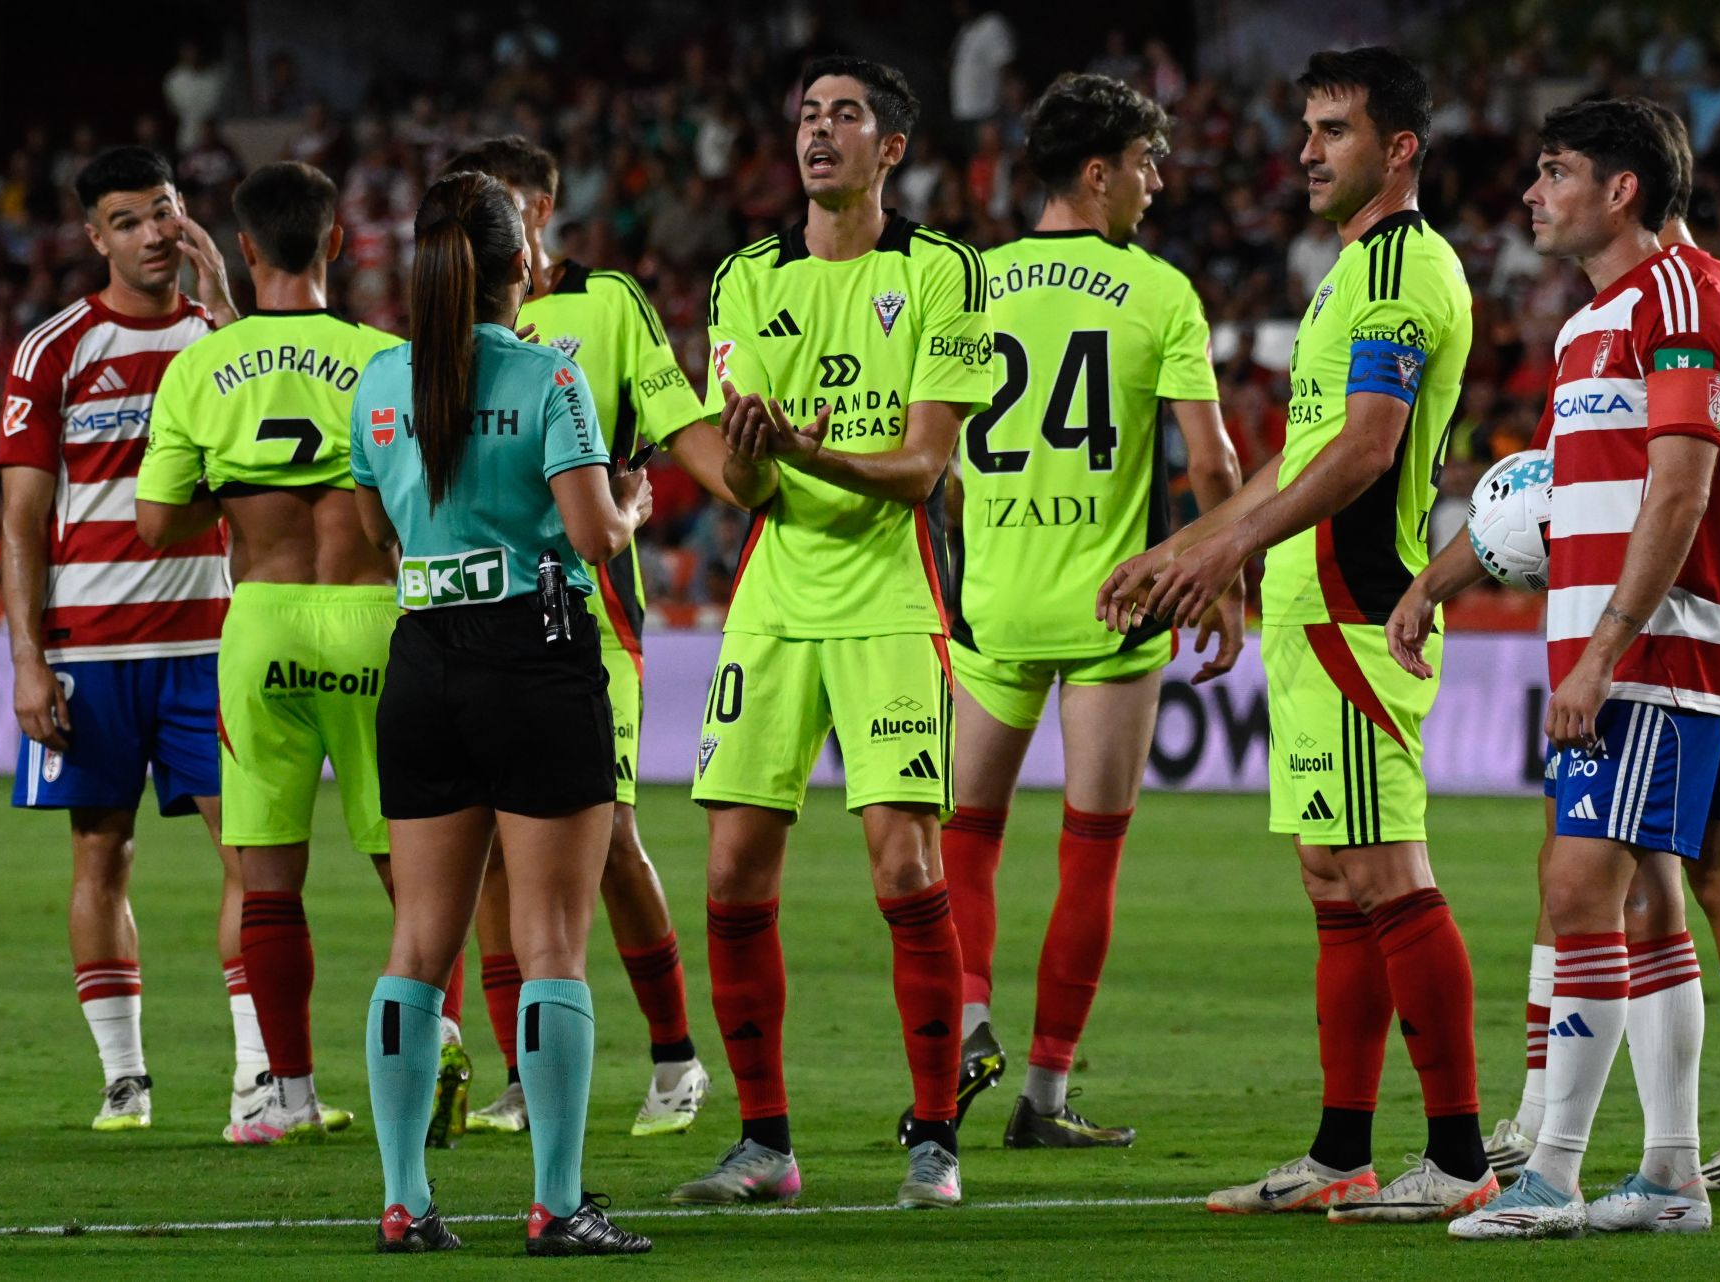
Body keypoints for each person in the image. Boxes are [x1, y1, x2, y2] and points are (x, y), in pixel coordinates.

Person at [1098, 47, 1491, 1223]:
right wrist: (1189, 542)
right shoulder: (1349, 274)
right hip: (1308, 614)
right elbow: (1304, 453)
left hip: (1358, 613)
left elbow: (1368, 448)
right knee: (1333, 877)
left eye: (1332, 130)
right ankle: (1340, 1151)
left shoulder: (1403, 270)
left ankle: (1462, 1158)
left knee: (1386, 871)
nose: (1307, 151)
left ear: (1398, 149)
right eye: (1307, 128)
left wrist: (1226, 551)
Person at [1454, 108, 1720, 1199]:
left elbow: (1679, 480)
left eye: (1553, 170)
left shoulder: (1668, 302)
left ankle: (1553, 1151)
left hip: (1658, 632)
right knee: (1700, 871)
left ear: (1623, 188)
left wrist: (1626, 622)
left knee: (1590, 870)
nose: (1530, 193)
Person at [669, 56, 994, 1211]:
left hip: (889, 597)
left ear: (890, 149)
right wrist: (755, 456)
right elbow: (745, 482)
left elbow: (921, 470)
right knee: (729, 871)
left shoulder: (945, 271)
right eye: (807, 114)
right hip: (775, 593)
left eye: (844, 115)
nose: (819, 132)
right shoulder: (749, 277)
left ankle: (935, 1138)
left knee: (903, 862)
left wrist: (803, 454)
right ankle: (765, 1143)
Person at [921, 72, 1243, 1150]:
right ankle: (1047, 1101)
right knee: (1090, 851)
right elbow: (1212, 461)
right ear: (1098, 173)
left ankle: (966, 1022)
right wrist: (1216, 573)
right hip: (1117, 609)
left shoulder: (970, 283)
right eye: (1147, 163)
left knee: (965, 837)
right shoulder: (1158, 293)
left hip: (994, 603)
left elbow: (946, 467)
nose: (1156, 183)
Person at [351, 170, 653, 1256]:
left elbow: (375, 527)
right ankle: (557, 1202)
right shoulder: (549, 378)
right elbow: (595, 538)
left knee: (416, 943)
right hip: (534, 655)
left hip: (423, 656)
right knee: (551, 945)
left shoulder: (379, 383)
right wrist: (633, 499)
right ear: (519, 259)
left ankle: (403, 1199)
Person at [435, 136, 742, 1139]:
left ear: (549, 207)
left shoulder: (605, 307)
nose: (511, 225)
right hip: (479, 617)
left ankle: (673, 1058)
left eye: (520, 202)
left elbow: (674, 413)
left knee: (610, 836)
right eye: (492, 206)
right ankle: (524, 1078)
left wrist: (740, 478)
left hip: (590, 613)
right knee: (485, 853)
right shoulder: (444, 328)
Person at [133, 160, 414, 1144]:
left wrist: (228, 486)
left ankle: (285, 1095)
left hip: (261, 626)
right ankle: (439, 1058)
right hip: (377, 617)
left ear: (244, 250)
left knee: (267, 879)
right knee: (414, 870)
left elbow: (159, 521)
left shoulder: (200, 367)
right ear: (337, 242)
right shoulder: (391, 359)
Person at [0, 145, 238, 1132]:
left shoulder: (224, 342)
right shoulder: (52, 349)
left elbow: (272, 424)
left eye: (167, 212)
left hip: (211, 642)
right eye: (130, 219)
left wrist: (226, 300)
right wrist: (24, 659)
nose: (154, 234)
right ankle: (125, 1078)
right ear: (96, 237)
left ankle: (262, 1077)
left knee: (250, 854)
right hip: (87, 648)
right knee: (102, 854)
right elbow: (20, 520)